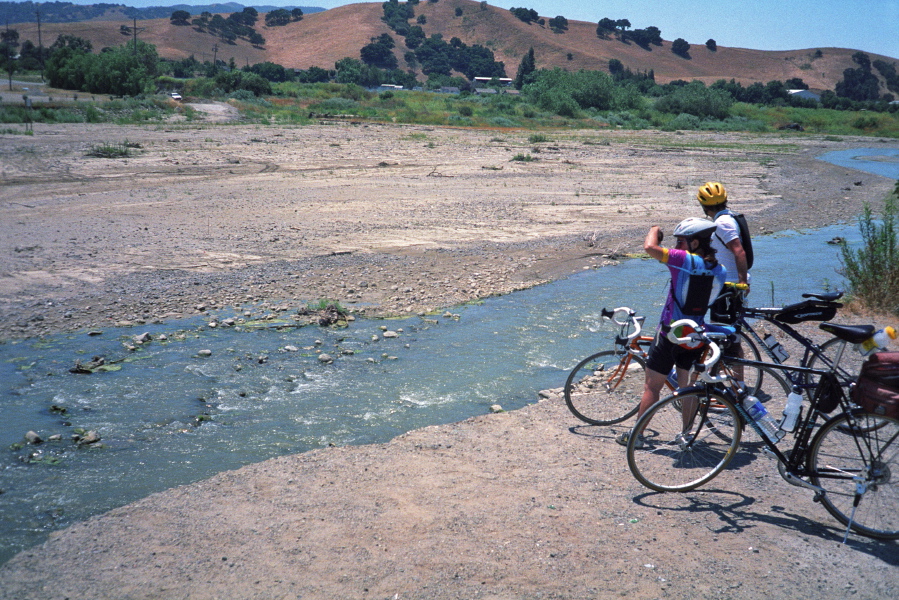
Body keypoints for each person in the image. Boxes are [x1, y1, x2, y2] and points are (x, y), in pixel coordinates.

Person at [616, 218, 727, 449]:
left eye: (681, 241)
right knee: (688, 389)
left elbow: (649, 247)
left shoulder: (683, 260)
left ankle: (636, 437)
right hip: (696, 337)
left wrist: (654, 228)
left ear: (695, 242)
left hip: (670, 334)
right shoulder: (720, 270)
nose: (676, 246)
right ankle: (687, 436)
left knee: (652, 387)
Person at [696, 182, 750, 290]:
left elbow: (739, 251)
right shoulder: (729, 217)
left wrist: (743, 282)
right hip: (726, 282)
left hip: (730, 283)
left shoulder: (722, 223)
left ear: (704, 207)